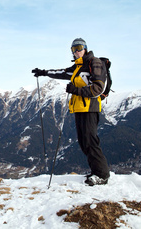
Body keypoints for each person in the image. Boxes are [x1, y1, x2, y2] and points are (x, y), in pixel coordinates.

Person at [32, 38, 110, 186]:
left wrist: (75, 90)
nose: (76, 52)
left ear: (85, 48)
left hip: (90, 108)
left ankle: (102, 175)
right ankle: (96, 171)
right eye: (73, 49)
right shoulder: (78, 67)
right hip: (79, 108)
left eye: (79, 48)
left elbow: (97, 89)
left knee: (90, 140)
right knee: (83, 142)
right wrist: (43, 72)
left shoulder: (94, 63)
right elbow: (61, 72)